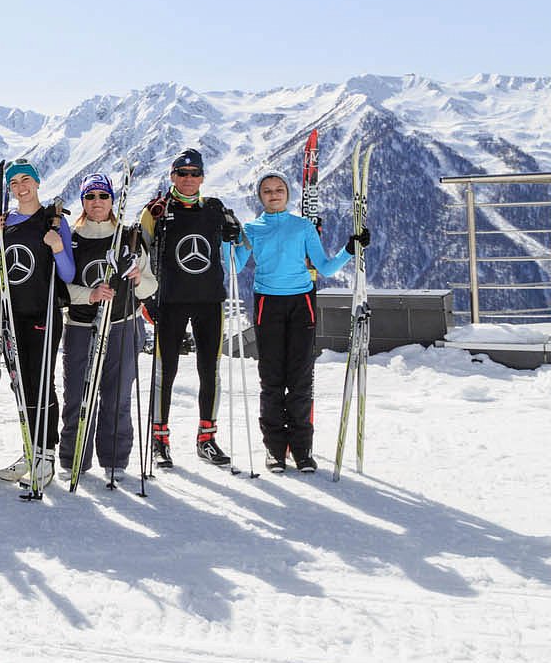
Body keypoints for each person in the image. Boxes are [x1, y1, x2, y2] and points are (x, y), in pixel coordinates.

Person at [230, 169, 370, 473]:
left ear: (287, 194)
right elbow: (235, 266)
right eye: (267, 191)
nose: (273, 195)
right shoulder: (251, 229)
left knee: (300, 378)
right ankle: (275, 450)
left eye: (279, 189)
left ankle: (302, 449)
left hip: (301, 303)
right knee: (271, 379)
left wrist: (350, 249)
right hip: (267, 303)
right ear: (260, 196)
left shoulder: (303, 226)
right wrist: (228, 240)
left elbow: (326, 268)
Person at [141, 148, 242, 468]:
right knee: (165, 371)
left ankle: (206, 439)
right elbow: (140, 256)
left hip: (209, 300)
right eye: (182, 173)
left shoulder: (215, 209)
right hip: (169, 301)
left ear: (202, 177)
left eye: (194, 173)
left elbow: (239, 245)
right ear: (172, 176)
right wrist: (145, 298)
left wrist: (234, 232)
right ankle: (159, 441)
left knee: (209, 370)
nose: (188, 179)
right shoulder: (156, 211)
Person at [0, 159, 76, 490]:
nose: (21, 187)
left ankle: (45, 454)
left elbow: (67, 274)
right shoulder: (4, 223)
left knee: (41, 383)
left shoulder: (53, 220)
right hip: (11, 316)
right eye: (14, 183)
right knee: (20, 385)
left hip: (43, 314)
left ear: (37, 182)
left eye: (26, 180)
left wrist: (58, 247)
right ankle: (30, 450)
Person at [60, 173, 155, 484]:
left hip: (122, 323)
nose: (97, 202)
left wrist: (138, 279)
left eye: (103, 196)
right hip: (81, 324)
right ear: (83, 202)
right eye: (90, 196)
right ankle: (74, 458)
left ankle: (115, 459)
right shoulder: (72, 238)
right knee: (77, 394)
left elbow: (149, 287)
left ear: (112, 200)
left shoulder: (129, 237)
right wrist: (90, 294)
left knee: (117, 395)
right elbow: (60, 288)